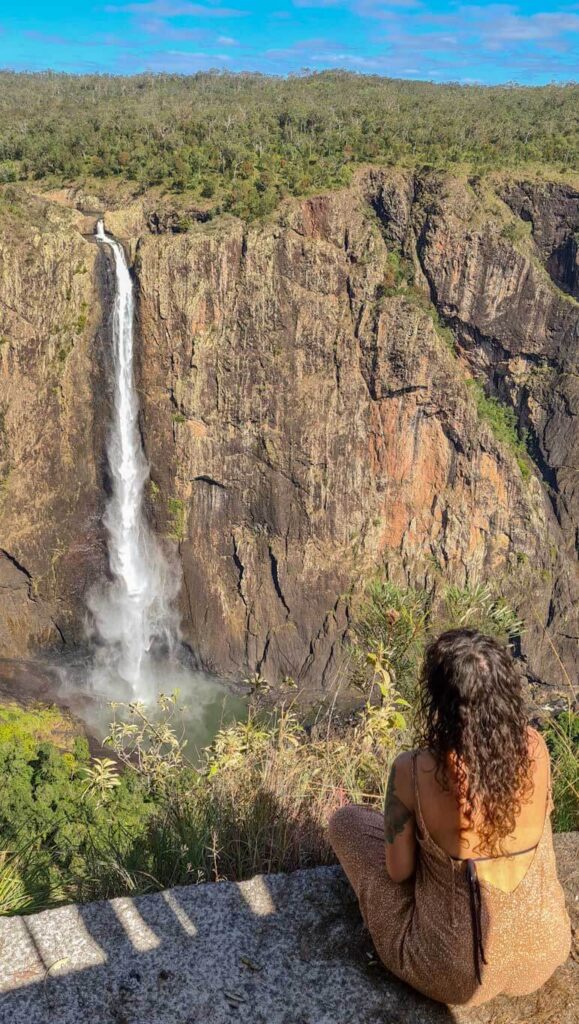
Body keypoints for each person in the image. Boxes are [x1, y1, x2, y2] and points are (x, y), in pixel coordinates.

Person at [328, 628, 571, 1007]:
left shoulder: (412, 770)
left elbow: (399, 873)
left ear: (439, 702)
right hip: (542, 953)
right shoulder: (537, 750)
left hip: (454, 974)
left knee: (346, 822)